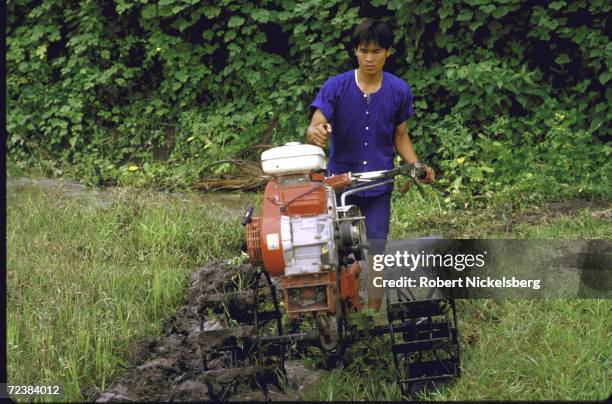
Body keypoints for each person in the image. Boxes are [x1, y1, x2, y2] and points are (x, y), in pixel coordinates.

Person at [306, 19, 434, 314]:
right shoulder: (335, 87)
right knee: (335, 251)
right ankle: (338, 313)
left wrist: (416, 167)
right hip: (340, 185)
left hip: (378, 185)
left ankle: (374, 318)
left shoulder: (398, 90)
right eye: (364, 51)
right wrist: (316, 133)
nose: (369, 58)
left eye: (376, 51)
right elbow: (316, 124)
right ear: (355, 51)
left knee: (377, 254)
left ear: (388, 52)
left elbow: (400, 136)